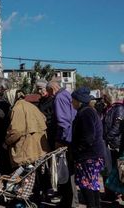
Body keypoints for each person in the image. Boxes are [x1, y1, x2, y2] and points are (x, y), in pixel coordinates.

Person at [71, 87, 105, 208]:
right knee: (92, 185)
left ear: (78, 101)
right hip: (93, 155)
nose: (71, 102)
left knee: (87, 187)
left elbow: (88, 138)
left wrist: (76, 150)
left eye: (73, 100)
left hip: (88, 156)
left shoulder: (85, 113)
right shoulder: (88, 111)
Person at [47, 80, 78, 208]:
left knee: (65, 172)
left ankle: (69, 202)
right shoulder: (66, 94)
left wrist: (61, 141)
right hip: (71, 138)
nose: (49, 95)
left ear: (52, 89)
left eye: (49, 91)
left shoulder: (59, 97)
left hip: (65, 141)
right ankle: (71, 201)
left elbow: (63, 121)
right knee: (69, 172)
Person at [0, 78, 13, 176]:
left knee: (3, 165)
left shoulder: (1, 101)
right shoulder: (11, 100)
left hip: (2, 136)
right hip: (10, 134)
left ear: (2, 88)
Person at [36, 79, 56, 150]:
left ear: (46, 88)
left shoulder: (53, 100)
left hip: (51, 133)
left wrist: (45, 117)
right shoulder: (41, 101)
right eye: (37, 89)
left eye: (40, 89)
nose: (39, 91)